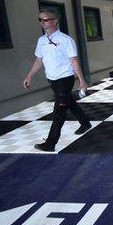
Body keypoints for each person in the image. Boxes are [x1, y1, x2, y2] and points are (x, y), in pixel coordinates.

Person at [23, 9, 92, 152]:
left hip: (65, 79)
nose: (42, 22)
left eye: (45, 19)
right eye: (40, 20)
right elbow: (38, 60)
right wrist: (29, 75)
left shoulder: (66, 40)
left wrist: (82, 81)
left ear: (55, 21)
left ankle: (50, 143)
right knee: (69, 102)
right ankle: (85, 123)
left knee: (59, 111)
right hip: (52, 80)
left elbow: (73, 61)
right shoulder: (41, 41)